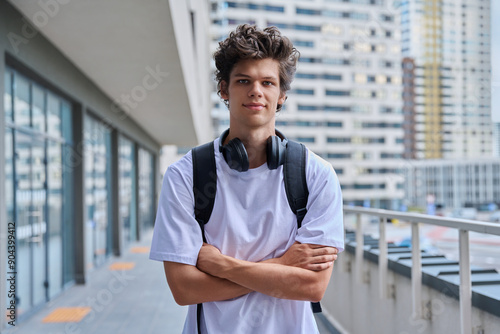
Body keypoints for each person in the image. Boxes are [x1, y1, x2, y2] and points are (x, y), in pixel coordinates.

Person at [150, 24, 344, 333]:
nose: (256, 91)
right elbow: (184, 289)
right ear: (224, 89)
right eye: (244, 81)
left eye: (268, 82)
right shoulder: (185, 175)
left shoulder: (315, 174)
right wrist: (283, 266)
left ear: (281, 95)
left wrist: (221, 265)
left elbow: (312, 286)